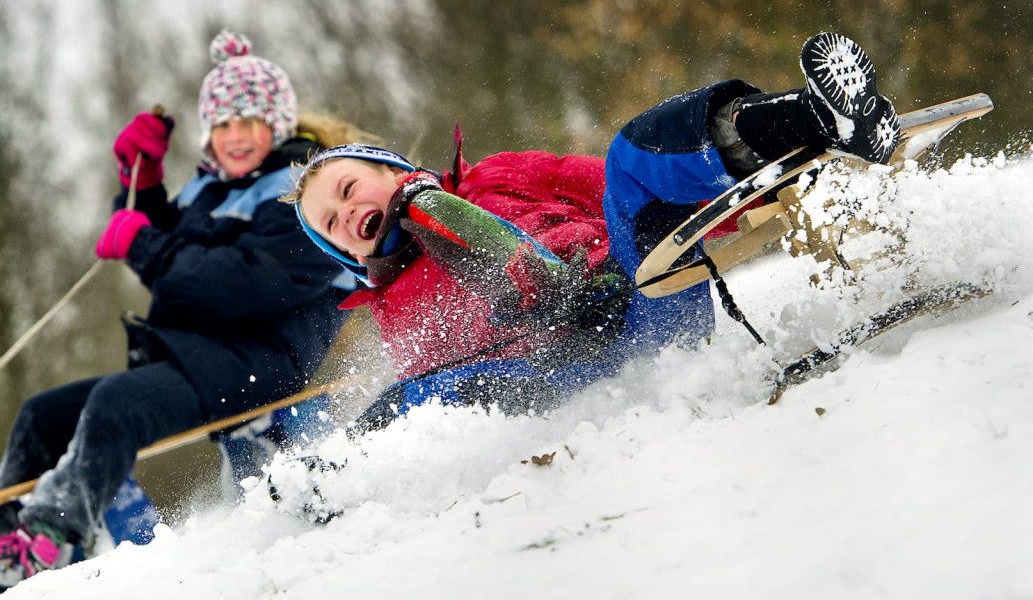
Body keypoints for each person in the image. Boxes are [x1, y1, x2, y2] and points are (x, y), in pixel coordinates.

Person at [0, 31, 362, 598]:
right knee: (43, 416)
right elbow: (161, 242)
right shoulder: (214, 189)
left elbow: (239, 284)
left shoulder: (298, 190)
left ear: (277, 124)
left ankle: (48, 541)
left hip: (260, 362)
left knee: (117, 406)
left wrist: (144, 244)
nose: (236, 136)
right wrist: (143, 181)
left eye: (250, 122)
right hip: (201, 356)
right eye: (223, 124)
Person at [282, 32, 900, 430]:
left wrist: (747, 201)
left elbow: (625, 189)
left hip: (643, 293)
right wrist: (550, 318)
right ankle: (818, 125)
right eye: (330, 226)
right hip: (590, 370)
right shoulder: (397, 309)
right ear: (344, 251)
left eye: (345, 188)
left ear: (392, 168)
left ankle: (816, 119)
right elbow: (460, 381)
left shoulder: (502, 173)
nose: (345, 214)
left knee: (632, 152)